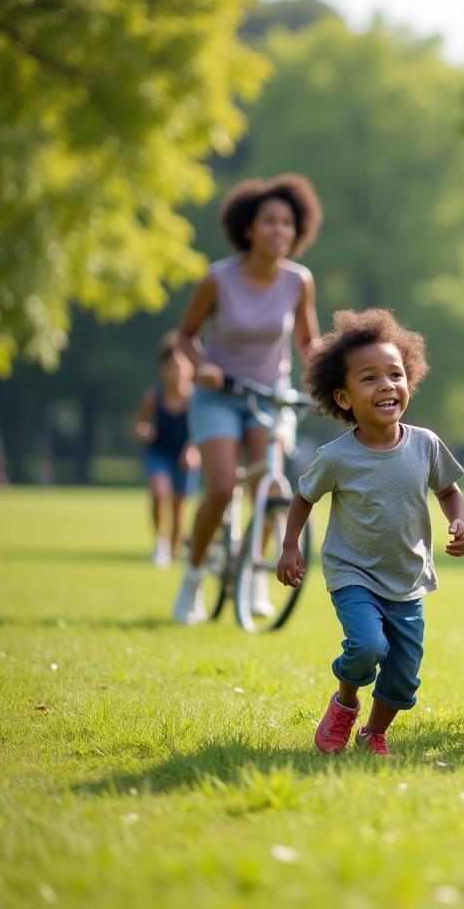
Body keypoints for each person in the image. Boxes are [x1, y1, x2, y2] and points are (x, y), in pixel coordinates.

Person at [276, 308, 464, 756]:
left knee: (404, 672)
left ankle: (373, 732)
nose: (386, 385)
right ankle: (344, 704)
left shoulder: (425, 444)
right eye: (370, 379)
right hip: (353, 573)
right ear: (343, 398)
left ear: (409, 381)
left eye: (395, 374)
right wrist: (290, 546)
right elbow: (304, 497)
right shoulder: (337, 456)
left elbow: (449, 491)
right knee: (365, 646)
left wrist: (457, 520)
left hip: (407, 577)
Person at [172, 174, 322, 624]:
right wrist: (201, 365)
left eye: (288, 224)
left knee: (267, 485)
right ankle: (193, 579)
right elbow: (185, 336)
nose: (280, 231)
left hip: (269, 396)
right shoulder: (217, 279)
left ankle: (255, 579)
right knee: (220, 488)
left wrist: (332, 375)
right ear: (249, 229)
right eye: (270, 222)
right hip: (219, 395)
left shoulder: (299, 281)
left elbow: (307, 342)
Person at [133, 335, 199, 568]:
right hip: (159, 453)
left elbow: (201, 430)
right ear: (163, 369)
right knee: (159, 491)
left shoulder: (196, 398)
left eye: (180, 366)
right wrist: (143, 430)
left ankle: (173, 550)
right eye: (171, 366)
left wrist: (192, 451)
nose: (176, 371)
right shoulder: (154, 396)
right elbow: (140, 421)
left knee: (178, 509)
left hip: (185, 458)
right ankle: (159, 543)